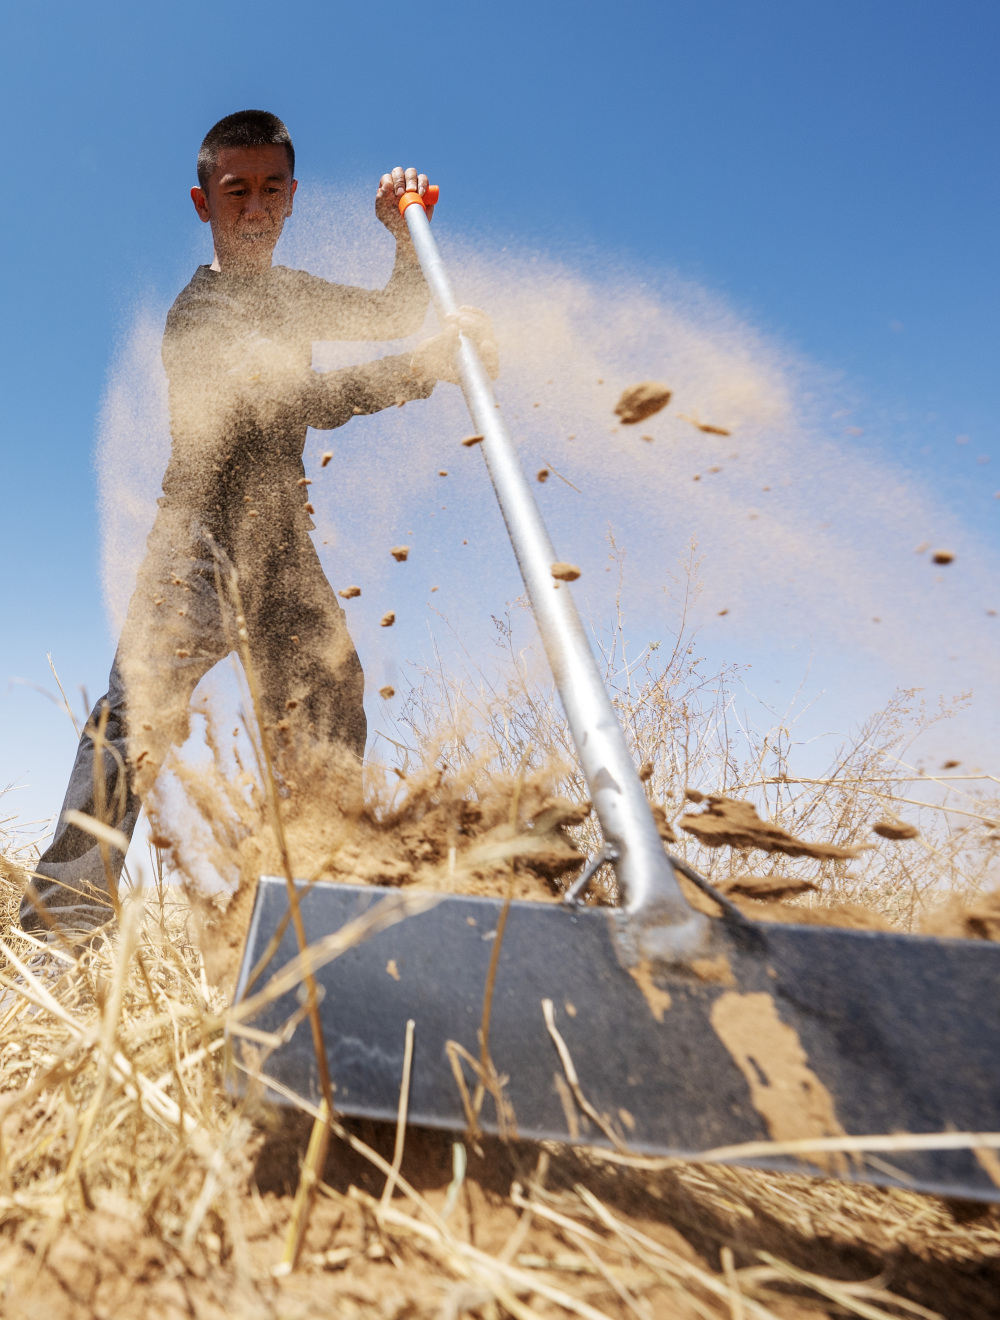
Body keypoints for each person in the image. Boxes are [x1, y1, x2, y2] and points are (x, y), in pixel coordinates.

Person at [21, 109, 497, 943]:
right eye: (235, 191)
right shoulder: (196, 314)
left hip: (282, 543)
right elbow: (290, 398)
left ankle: (310, 909)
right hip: (196, 540)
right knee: (134, 723)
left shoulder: (294, 293)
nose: (254, 208)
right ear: (203, 203)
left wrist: (399, 232)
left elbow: (395, 310)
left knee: (329, 704)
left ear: (292, 199)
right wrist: (422, 373)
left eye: (271, 190)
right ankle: (57, 933)